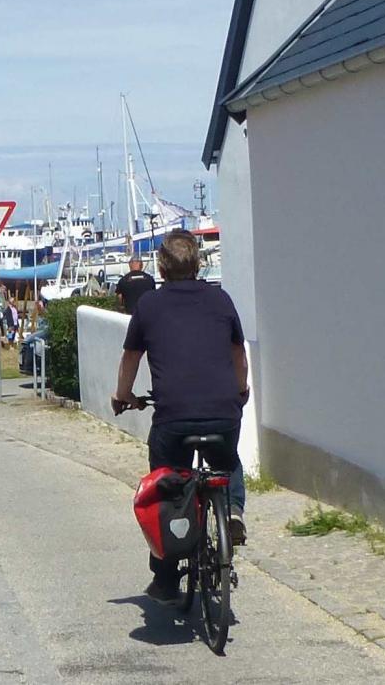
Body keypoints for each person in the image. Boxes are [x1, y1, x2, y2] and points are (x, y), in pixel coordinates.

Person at [111, 229, 250, 604]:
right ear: (198, 264)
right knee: (227, 461)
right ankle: (233, 510)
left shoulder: (149, 306)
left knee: (167, 484)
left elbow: (130, 359)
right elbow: (238, 352)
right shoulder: (220, 299)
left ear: (160, 266)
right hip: (223, 412)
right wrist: (241, 391)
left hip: (173, 417)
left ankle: (167, 580)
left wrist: (123, 397)